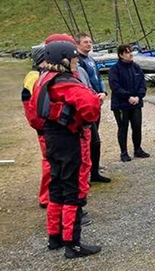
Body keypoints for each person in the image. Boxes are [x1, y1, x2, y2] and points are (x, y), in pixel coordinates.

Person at [29, 39, 102, 258]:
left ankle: (55, 237)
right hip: (69, 139)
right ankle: (73, 244)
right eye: (73, 58)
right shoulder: (65, 81)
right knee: (74, 189)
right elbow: (90, 106)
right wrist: (93, 105)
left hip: (51, 137)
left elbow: (34, 113)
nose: (75, 61)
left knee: (57, 186)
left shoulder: (43, 78)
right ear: (63, 59)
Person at [75, 33, 111, 183]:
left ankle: (94, 170)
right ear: (77, 44)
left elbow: (98, 78)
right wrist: (93, 97)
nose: (89, 44)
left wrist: (103, 92)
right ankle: (87, 172)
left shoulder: (91, 59)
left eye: (90, 42)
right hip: (89, 102)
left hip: (97, 101)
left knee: (95, 139)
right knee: (91, 140)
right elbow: (84, 84)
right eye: (85, 42)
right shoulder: (77, 62)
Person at [109, 44, 149, 162]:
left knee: (137, 126)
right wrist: (128, 96)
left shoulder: (136, 67)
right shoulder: (115, 69)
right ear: (121, 55)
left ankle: (138, 149)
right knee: (123, 128)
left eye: (131, 51)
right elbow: (115, 86)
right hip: (121, 104)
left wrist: (138, 96)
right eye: (127, 52)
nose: (130, 54)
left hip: (136, 103)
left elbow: (142, 83)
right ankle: (124, 152)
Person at [21, 44, 49, 208]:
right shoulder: (33, 77)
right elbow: (30, 106)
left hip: (45, 127)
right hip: (44, 128)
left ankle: (48, 195)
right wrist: (41, 126)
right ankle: (46, 197)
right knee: (49, 162)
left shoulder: (40, 74)